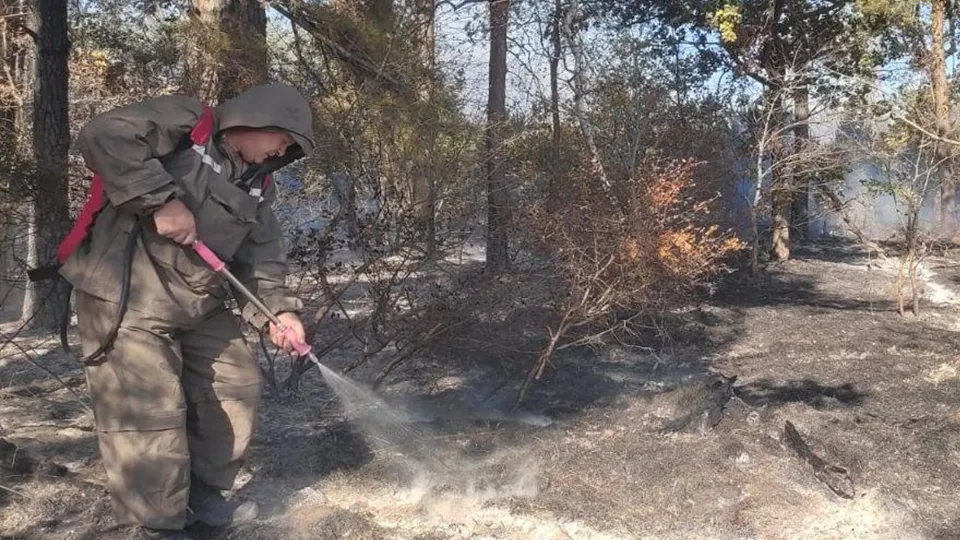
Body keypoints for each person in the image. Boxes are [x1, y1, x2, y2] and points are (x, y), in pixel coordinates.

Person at [59, 83, 314, 540]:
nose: (281, 152)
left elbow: (261, 254)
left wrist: (279, 313)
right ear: (255, 120)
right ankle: (156, 524)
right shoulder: (187, 123)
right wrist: (162, 199)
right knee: (149, 412)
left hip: (198, 299)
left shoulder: (260, 184)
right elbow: (104, 134)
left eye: (289, 149)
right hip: (127, 294)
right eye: (282, 139)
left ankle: (202, 497)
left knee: (236, 383)